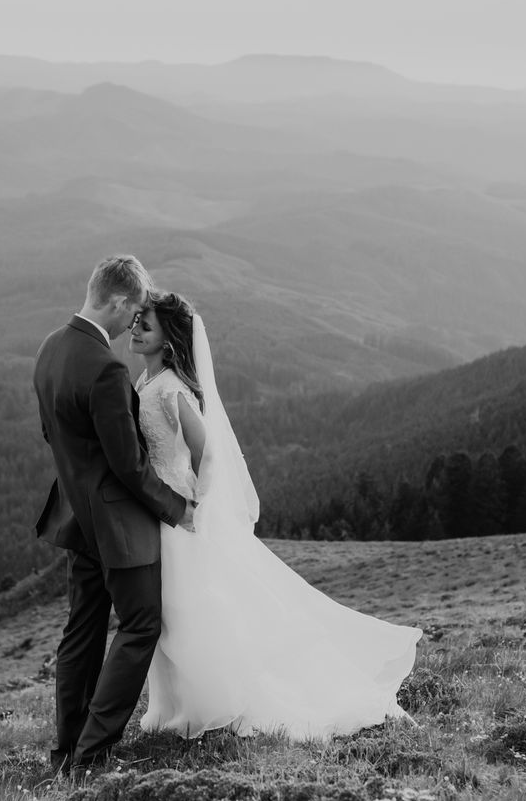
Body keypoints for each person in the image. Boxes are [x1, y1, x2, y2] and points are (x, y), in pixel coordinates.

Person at [129, 292, 421, 740]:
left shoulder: (170, 389)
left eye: (144, 325)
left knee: (185, 610)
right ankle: (180, 707)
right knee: (173, 612)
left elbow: (209, 455)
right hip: (157, 512)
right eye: (135, 322)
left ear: (168, 341)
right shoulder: (145, 381)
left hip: (178, 515)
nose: (134, 330)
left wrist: (198, 508)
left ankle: (214, 703)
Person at [33, 255, 194, 773]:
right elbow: (128, 465)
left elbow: (52, 436)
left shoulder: (50, 348)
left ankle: (65, 749)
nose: (134, 324)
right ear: (120, 301)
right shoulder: (105, 369)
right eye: (135, 312)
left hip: (77, 520)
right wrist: (177, 507)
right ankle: (93, 752)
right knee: (141, 624)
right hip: (119, 526)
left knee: (81, 630)